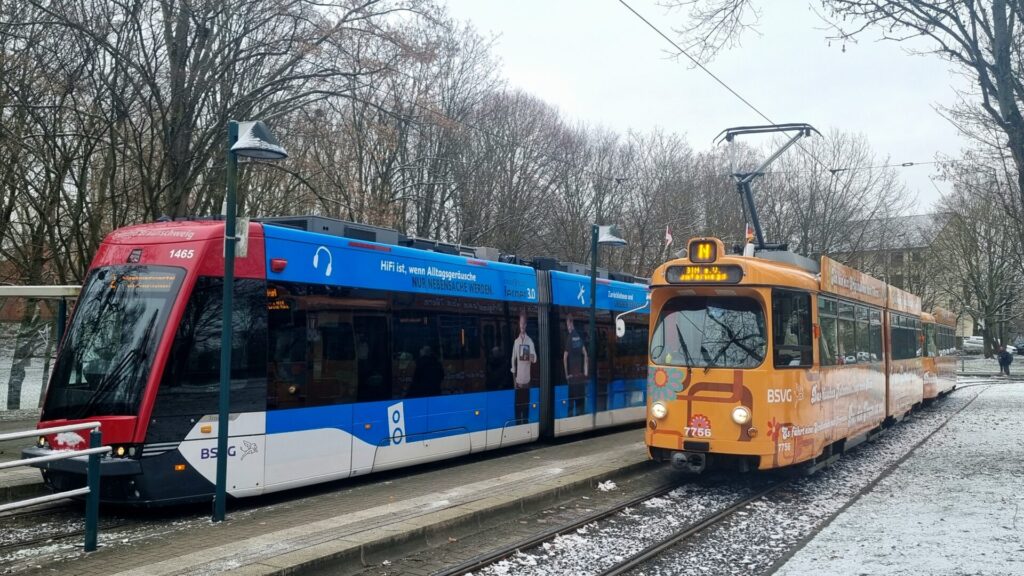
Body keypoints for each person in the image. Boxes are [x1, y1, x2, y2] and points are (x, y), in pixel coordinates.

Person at [511, 312, 537, 423]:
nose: (522, 326)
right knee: (517, 412)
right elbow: (513, 361)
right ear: (519, 324)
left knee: (526, 411)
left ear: (526, 325)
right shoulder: (516, 342)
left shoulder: (530, 341)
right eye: (520, 323)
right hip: (518, 384)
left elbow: (535, 358)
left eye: (524, 324)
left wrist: (529, 356)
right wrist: (514, 382)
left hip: (527, 384)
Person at [563, 313, 588, 416]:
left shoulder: (570, 338)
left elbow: (564, 358)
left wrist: (566, 375)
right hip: (580, 378)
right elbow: (586, 355)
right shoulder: (578, 337)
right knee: (580, 403)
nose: (567, 327)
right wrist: (585, 373)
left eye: (567, 324)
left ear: (570, 323)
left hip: (572, 378)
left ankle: (571, 421)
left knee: (571, 404)